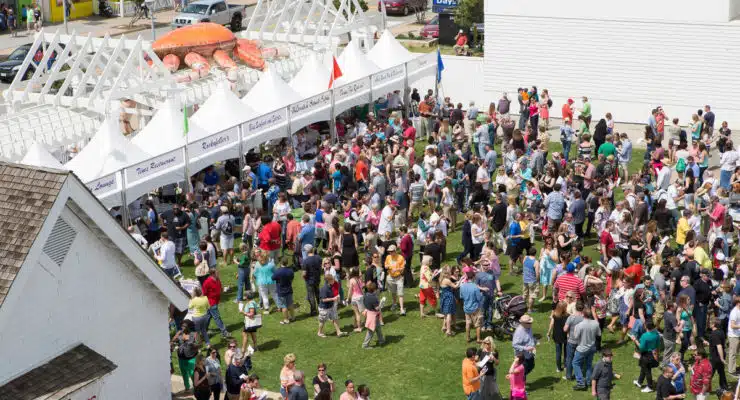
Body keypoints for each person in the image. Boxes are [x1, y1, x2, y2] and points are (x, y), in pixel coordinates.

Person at [571, 309, 601, 391]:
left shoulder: (579, 325)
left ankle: (580, 382)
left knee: (575, 363)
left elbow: (576, 337)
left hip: (582, 348)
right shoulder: (595, 323)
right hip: (592, 347)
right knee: (588, 364)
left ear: (583, 315)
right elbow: (599, 334)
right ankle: (588, 381)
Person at [202, 269, 230, 339]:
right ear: (213, 274)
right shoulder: (207, 282)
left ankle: (203, 330)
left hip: (215, 301)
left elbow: (220, 289)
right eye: (217, 272)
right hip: (211, 303)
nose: (219, 273)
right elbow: (204, 293)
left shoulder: (217, 279)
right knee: (217, 317)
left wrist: (225, 289)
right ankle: (224, 332)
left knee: (208, 317)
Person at [171, 320, 198, 392]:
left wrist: (193, 344)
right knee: (184, 373)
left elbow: (198, 344)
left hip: (191, 358)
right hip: (181, 357)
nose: (183, 328)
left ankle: (196, 386)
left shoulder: (193, 334)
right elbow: (172, 341)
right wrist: (176, 335)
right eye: (182, 326)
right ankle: (187, 387)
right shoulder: (180, 334)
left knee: (192, 373)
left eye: (185, 326)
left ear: (189, 327)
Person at [318, 273, 346, 338]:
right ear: (329, 281)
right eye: (332, 279)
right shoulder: (324, 289)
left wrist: (337, 296)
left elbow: (334, 293)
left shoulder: (331, 286)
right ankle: (319, 332)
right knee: (322, 321)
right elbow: (323, 300)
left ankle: (338, 332)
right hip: (324, 308)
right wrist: (333, 298)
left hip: (331, 306)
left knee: (335, 318)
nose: (334, 280)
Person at [460, 266, 484, 343]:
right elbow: (479, 298)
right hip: (475, 308)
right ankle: (478, 339)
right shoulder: (475, 287)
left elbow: (461, 296)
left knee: (468, 323)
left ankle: (468, 338)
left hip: (466, 308)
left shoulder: (462, 286)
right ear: (473, 277)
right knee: (478, 324)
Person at [272, 257, 296, 325]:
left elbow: (273, 278)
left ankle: (286, 319)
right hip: (289, 290)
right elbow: (292, 278)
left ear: (281, 263)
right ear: (287, 263)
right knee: (290, 304)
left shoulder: (278, 271)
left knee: (284, 306)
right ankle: (293, 317)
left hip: (281, 291)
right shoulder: (290, 270)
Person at [384, 245, 407, 315]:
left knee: (400, 293)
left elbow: (403, 268)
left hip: (399, 277)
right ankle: (394, 304)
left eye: (391, 251)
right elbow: (385, 265)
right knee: (393, 292)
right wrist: (387, 267)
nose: (390, 253)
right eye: (389, 251)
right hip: (390, 277)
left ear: (395, 251)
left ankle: (402, 309)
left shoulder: (400, 258)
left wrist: (396, 269)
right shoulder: (388, 257)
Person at [362, 281, 385, 348]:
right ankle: (365, 345)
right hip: (373, 316)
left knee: (378, 328)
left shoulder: (366, 295)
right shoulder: (373, 298)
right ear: (374, 290)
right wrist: (381, 304)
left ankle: (381, 340)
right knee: (370, 331)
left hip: (369, 313)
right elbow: (377, 308)